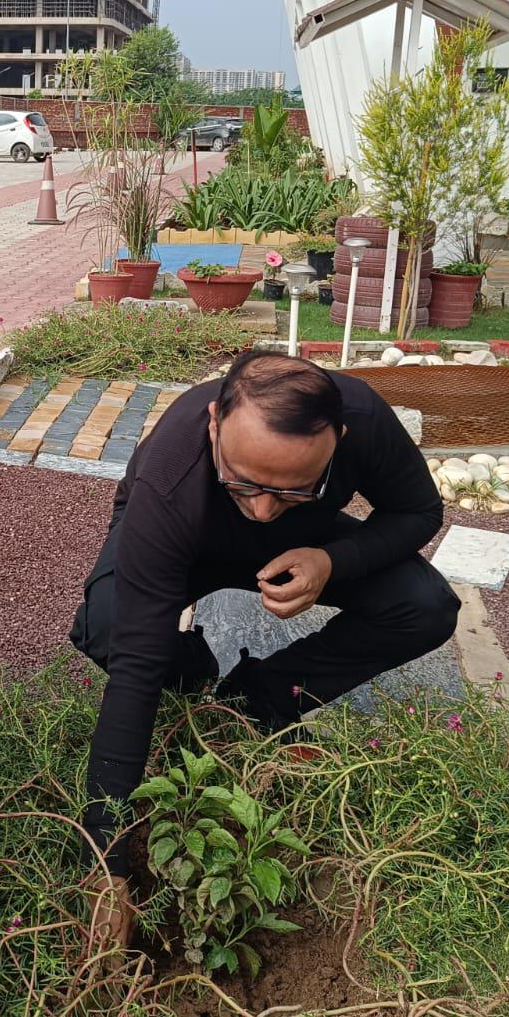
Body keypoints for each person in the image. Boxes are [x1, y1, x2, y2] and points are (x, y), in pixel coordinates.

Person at [70, 349, 458, 943]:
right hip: (191, 540)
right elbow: (135, 667)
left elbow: (418, 511)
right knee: (110, 630)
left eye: (294, 489)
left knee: (426, 607)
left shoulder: (362, 418)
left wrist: (333, 560)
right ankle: (196, 671)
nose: (261, 510)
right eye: (243, 482)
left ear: (338, 442)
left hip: (306, 543)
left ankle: (258, 697)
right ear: (214, 425)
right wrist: (105, 861)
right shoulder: (170, 477)